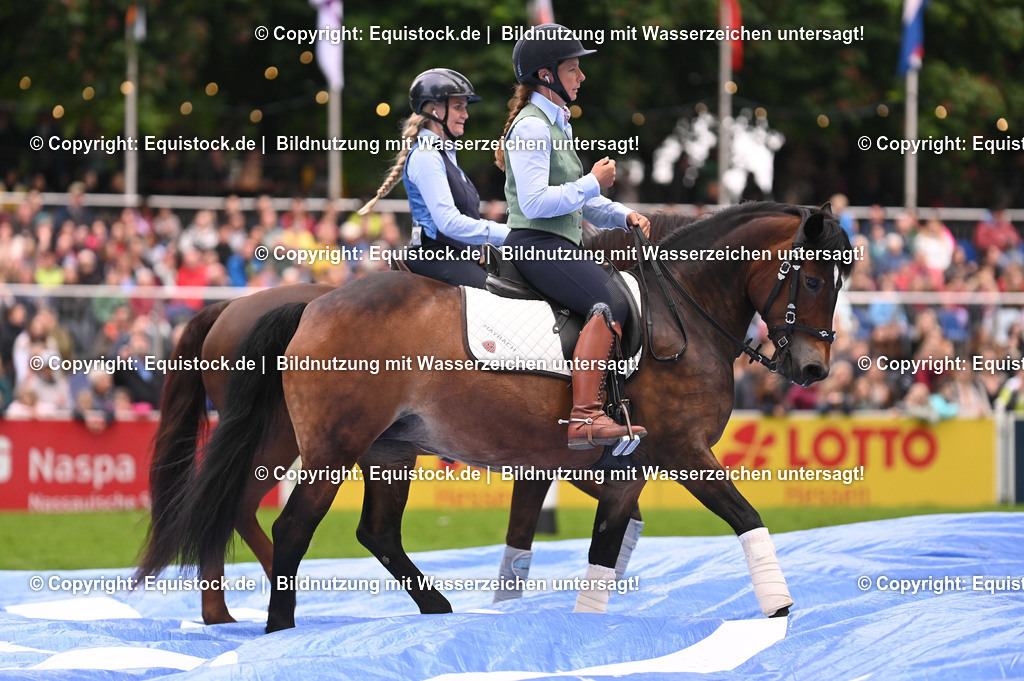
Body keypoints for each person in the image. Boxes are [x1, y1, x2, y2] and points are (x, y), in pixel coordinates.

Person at [494, 24, 649, 450]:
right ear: (546, 75)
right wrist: (594, 182)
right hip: (535, 245)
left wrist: (623, 215)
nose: (581, 77)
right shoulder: (531, 128)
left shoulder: (557, 125)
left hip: (558, 244)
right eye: (573, 68)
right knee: (609, 303)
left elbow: (575, 201)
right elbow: (538, 203)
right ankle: (583, 419)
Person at [359, 69, 507, 287]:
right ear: (435, 110)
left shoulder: (444, 155)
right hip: (436, 258)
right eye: (458, 107)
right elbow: (448, 223)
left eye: (465, 107)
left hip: (456, 257)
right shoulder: (426, 156)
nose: (465, 114)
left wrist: (481, 246)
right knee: (498, 299)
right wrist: (509, 234)